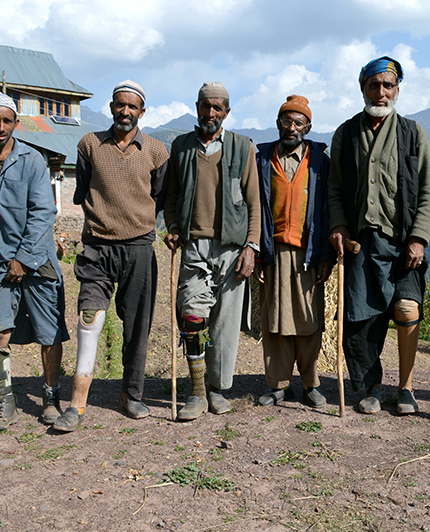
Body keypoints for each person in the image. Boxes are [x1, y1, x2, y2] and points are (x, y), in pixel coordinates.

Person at [53, 80, 169, 432]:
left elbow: (160, 198)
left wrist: (140, 222)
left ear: (142, 112)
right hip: (97, 246)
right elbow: (84, 189)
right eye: (120, 105)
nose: (125, 111)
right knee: (89, 319)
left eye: (132, 107)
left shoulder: (156, 151)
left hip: (138, 248)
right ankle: (76, 403)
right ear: (111, 106)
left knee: (137, 327)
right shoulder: (90, 145)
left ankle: (131, 396)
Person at [327, 56, 430, 415]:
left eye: (388, 86)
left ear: (397, 91)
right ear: (363, 89)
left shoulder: (412, 133)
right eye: (374, 85)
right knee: (364, 318)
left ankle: (405, 388)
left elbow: (426, 190)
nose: (381, 92)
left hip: (403, 242)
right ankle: (372, 386)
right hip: (361, 241)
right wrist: (340, 226)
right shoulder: (345, 133)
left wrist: (419, 237)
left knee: (406, 309)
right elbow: (336, 189)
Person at [0, 92, 69, 432]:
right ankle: (3, 406)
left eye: (7, 120)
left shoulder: (32, 159)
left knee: (49, 333)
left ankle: (50, 399)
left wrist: (22, 259)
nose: (0, 126)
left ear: (16, 124)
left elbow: (42, 213)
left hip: (36, 260)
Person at [163, 82, 260, 421]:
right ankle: (196, 391)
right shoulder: (182, 147)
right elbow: (171, 196)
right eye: (206, 106)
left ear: (227, 112)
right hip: (194, 245)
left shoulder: (242, 147)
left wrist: (251, 246)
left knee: (225, 325)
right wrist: (173, 226)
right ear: (197, 107)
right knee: (192, 316)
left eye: (218, 108)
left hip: (233, 249)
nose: (211, 113)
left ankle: (216, 389)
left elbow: (254, 202)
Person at [254, 95, 335, 408]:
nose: (291, 127)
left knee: (308, 319)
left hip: (308, 253)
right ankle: (277, 385)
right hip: (273, 251)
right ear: (277, 124)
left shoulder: (320, 162)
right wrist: (259, 254)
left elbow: (329, 209)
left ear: (308, 126)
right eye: (286, 121)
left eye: (298, 122)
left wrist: (327, 255)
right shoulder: (261, 159)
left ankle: (310, 383)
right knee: (274, 319)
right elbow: (255, 208)